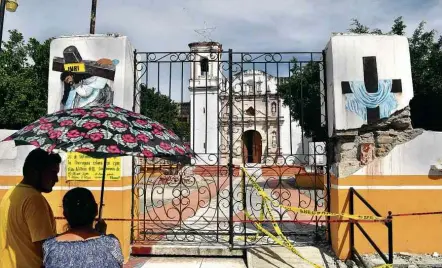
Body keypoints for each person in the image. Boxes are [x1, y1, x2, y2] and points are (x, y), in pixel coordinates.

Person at [0, 148, 62, 268]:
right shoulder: (34, 200)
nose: (56, 179)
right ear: (34, 172)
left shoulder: (12, 193)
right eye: (53, 173)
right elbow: (47, 249)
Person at [43, 187, 124, 268]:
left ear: (65, 213)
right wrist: (102, 234)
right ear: (96, 210)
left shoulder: (50, 246)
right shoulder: (112, 243)